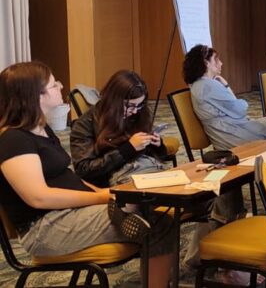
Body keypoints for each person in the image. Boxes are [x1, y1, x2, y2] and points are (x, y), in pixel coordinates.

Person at [0, 62, 173, 288]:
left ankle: (125, 211)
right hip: (46, 228)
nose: (61, 86)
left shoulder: (41, 129)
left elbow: (67, 177)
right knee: (158, 221)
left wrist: (102, 192)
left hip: (69, 214)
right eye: (53, 85)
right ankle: (125, 212)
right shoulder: (13, 140)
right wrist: (101, 197)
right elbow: (39, 197)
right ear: (36, 96)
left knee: (154, 216)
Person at [70, 70, 167, 187]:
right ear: (113, 100)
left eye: (139, 105)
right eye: (130, 106)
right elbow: (84, 169)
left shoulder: (138, 114)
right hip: (114, 177)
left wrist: (157, 145)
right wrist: (128, 149)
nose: (135, 111)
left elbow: (160, 157)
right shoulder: (85, 124)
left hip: (145, 167)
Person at [184, 44, 266, 150]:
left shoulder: (199, 84)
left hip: (224, 132)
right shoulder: (209, 86)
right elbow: (240, 110)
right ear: (206, 63)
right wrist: (227, 86)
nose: (221, 63)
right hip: (231, 134)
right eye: (216, 60)